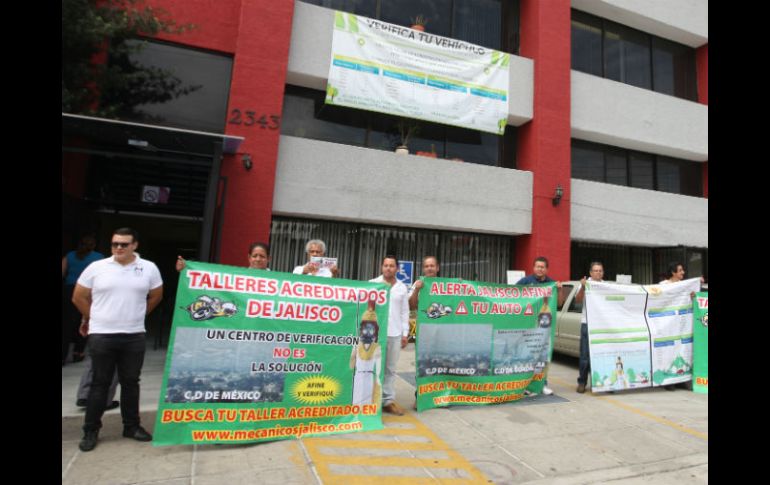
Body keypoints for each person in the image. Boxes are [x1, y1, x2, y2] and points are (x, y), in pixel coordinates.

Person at [72, 228, 163, 452]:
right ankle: (91, 430)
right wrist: (95, 318)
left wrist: (139, 314)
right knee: (99, 384)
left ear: (134, 245)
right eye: (115, 244)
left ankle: (131, 426)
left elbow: (156, 295)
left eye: (123, 244)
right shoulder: (97, 267)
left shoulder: (148, 268)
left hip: (133, 335)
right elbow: (79, 296)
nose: (118, 248)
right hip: (102, 335)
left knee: (131, 383)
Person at [516, 256, 563, 396]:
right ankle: (523, 385)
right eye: (537, 266)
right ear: (533, 267)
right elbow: (512, 296)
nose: (540, 269)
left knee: (542, 356)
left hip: (543, 327)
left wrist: (559, 290)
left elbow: (559, 303)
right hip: (527, 325)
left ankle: (542, 384)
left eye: (542, 267)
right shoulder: (525, 281)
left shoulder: (551, 283)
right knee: (525, 356)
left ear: (546, 269)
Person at [370, 255, 410, 415]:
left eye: (392, 266)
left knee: (390, 369)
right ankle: (370, 399)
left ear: (397, 269)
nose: (388, 268)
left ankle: (387, 400)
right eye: (385, 265)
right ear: (381, 267)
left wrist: (405, 333)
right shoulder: (373, 284)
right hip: (375, 334)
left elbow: (405, 312)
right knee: (372, 367)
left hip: (394, 333)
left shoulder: (401, 287)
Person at [62, 234, 104, 365]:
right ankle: (78, 352)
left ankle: (63, 356)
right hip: (88, 291)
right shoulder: (99, 258)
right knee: (85, 319)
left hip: (70, 290)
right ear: (94, 245)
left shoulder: (69, 256)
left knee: (66, 323)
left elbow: (62, 273)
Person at [408, 256, 439, 409]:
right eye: (426, 266)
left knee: (441, 365)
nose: (429, 268)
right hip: (425, 333)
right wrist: (417, 290)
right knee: (423, 365)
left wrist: (459, 285)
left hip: (441, 332)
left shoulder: (445, 285)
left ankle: (440, 397)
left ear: (437, 268)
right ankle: (419, 397)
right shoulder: (418, 284)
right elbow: (412, 306)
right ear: (423, 268)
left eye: (432, 265)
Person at [574, 262, 604, 393]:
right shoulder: (585, 283)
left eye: (600, 271)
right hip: (587, 324)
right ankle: (582, 382)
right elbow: (578, 300)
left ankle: (599, 383)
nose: (598, 273)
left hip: (602, 325)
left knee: (601, 355)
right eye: (595, 271)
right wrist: (583, 286)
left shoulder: (605, 285)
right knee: (585, 356)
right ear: (591, 273)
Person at [350, 300, 382, 406]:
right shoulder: (357, 344)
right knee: (356, 400)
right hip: (358, 376)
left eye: (371, 328)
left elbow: (378, 364)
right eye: (365, 328)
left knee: (367, 401)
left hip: (369, 376)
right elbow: (352, 361)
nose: (368, 331)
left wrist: (377, 378)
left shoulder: (376, 347)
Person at [176, 242, 271, 272]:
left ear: (269, 258)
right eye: (255, 256)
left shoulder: (278, 281)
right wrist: (186, 269)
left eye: (262, 256)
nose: (258, 259)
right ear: (249, 257)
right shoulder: (239, 277)